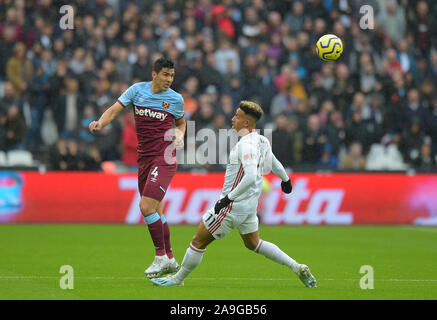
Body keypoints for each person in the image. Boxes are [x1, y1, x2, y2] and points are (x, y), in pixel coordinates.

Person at [151, 101, 317, 288]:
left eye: (237, 116)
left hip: (232, 207)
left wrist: (227, 199)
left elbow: (251, 175)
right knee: (253, 243)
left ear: (246, 123)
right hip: (249, 207)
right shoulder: (262, 140)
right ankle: (297, 267)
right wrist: (285, 179)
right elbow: (272, 160)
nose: (233, 118)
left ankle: (177, 279)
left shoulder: (245, 145)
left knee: (198, 242)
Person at [89, 58, 186, 279]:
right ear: (154, 74)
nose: (169, 80)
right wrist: (100, 123)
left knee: (145, 206)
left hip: (165, 157)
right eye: (165, 75)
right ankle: (170, 259)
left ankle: (160, 256)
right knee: (157, 211)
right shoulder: (137, 91)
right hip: (144, 160)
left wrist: (179, 135)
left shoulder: (175, 99)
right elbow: (114, 110)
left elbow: (181, 123)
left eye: (171, 75)